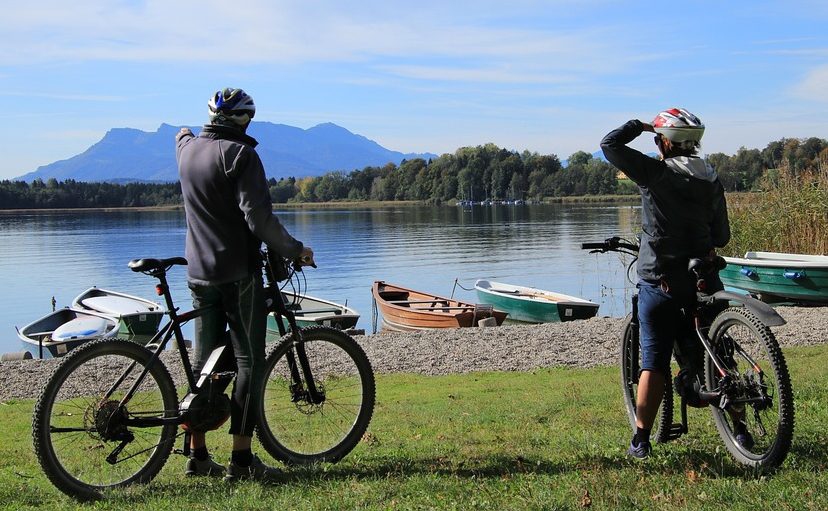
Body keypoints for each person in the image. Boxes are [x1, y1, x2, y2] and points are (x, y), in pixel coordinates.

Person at [176, 87, 314, 480]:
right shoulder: (242, 155)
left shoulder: (187, 151)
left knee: (205, 364)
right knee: (248, 363)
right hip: (238, 273)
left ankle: (199, 456)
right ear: (246, 120)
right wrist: (296, 249)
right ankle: (241, 460)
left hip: (198, 274)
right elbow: (259, 221)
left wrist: (183, 133)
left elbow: (182, 136)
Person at [600, 108, 731, 459]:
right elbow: (722, 235)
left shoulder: (655, 173)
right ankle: (743, 432)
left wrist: (639, 126)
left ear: (664, 142)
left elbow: (609, 144)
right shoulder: (712, 179)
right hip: (704, 280)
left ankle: (640, 441)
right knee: (717, 354)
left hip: (662, 280)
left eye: (659, 138)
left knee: (653, 361)